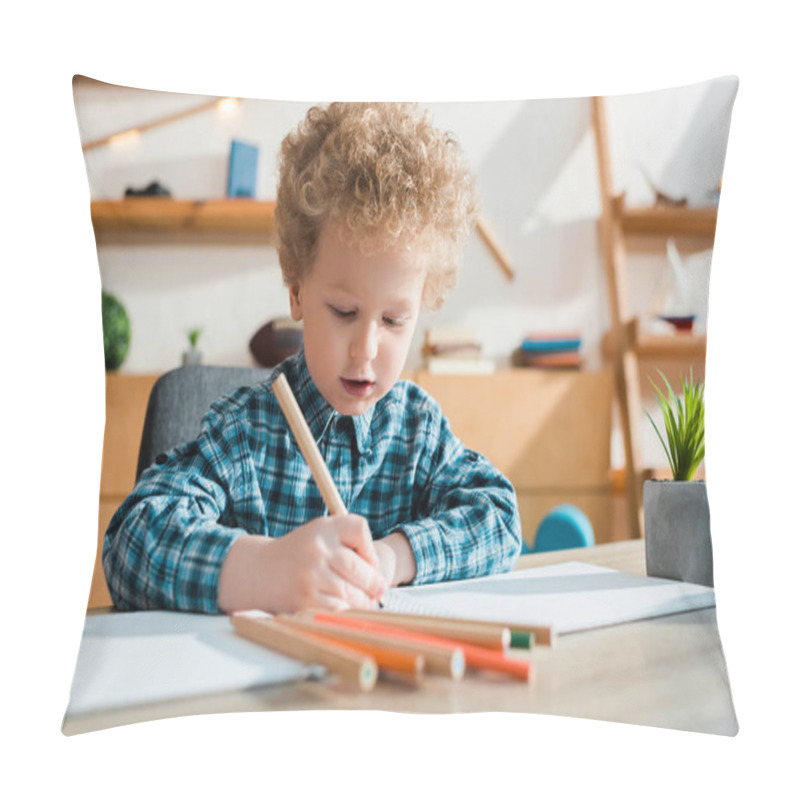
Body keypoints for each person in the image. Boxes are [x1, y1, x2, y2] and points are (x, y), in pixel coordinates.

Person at [103, 102, 522, 615]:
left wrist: (393, 558)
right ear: (297, 292)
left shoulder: (417, 431)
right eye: (344, 311)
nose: (366, 350)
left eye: (394, 320)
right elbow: (131, 539)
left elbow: (499, 517)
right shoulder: (246, 434)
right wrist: (262, 571)